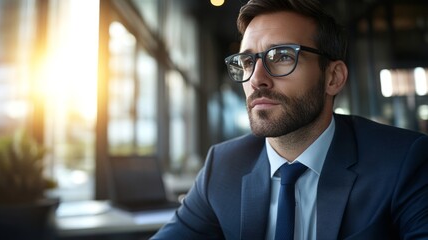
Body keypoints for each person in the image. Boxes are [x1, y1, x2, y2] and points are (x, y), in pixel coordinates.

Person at [151, 0, 428, 239]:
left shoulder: (404, 162)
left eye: (282, 56)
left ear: (333, 78)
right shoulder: (223, 167)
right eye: (248, 62)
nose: (257, 79)